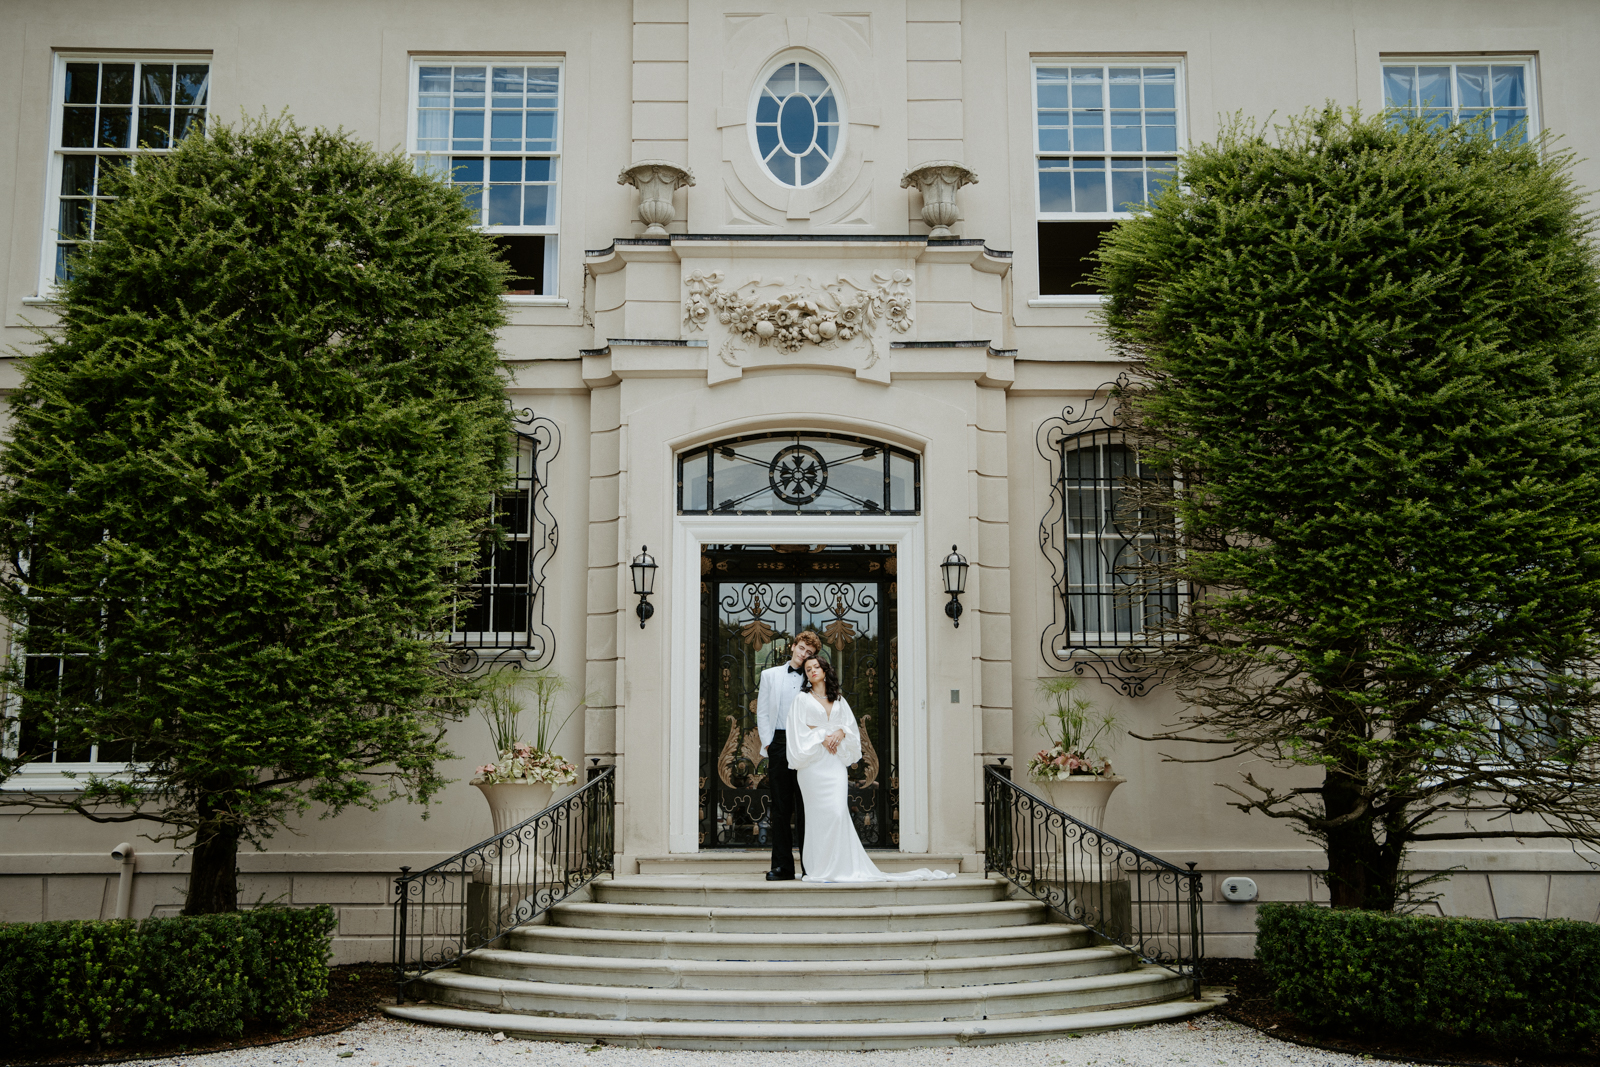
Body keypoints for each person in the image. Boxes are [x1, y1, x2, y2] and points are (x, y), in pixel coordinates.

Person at [787, 655, 956, 883]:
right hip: (812, 767)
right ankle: (819, 868)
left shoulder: (839, 700)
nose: (812, 671)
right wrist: (821, 735)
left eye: (816, 667)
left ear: (825, 671)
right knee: (818, 818)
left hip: (834, 765)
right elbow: (797, 732)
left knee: (838, 814)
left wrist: (841, 732)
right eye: (808, 669)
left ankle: (840, 866)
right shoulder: (801, 700)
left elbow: (850, 729)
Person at [755, 630, 820, 881]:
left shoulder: (813, 678)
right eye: (802, 648)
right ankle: (783, 867)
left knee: (806, 808)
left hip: (806, 745)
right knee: (781, 809)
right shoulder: (769, 676)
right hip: (780, 744)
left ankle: (810, 867)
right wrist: (769, 744)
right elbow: (762, 712)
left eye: (810, 653)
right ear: (793, 646)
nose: (804, 654)